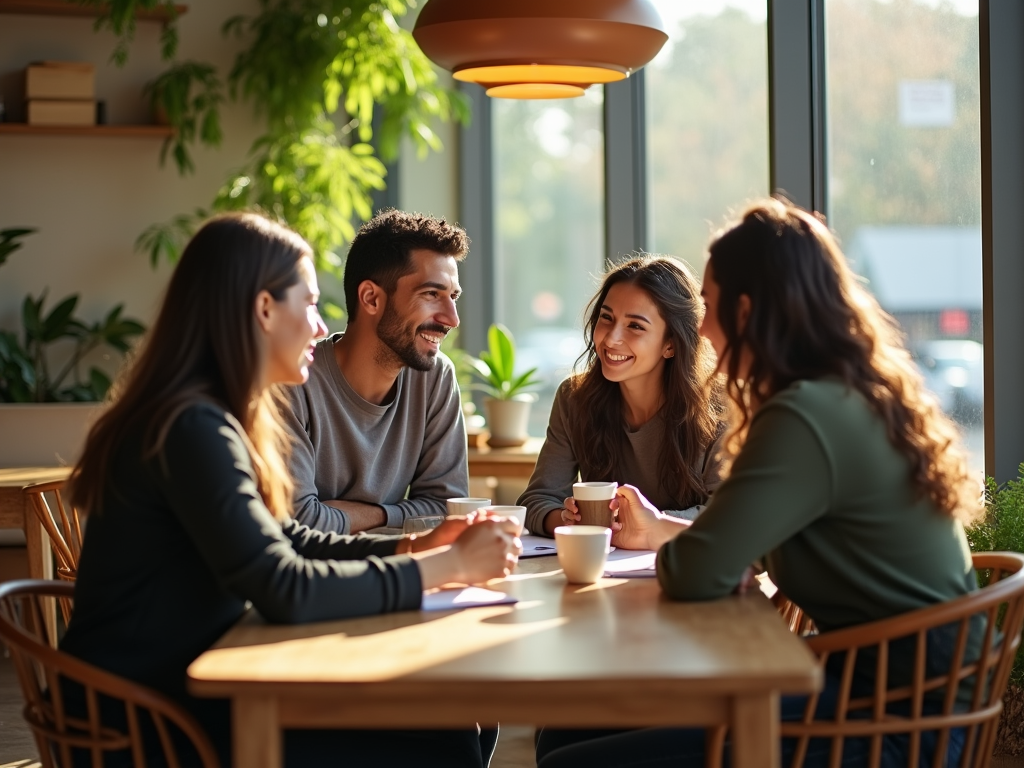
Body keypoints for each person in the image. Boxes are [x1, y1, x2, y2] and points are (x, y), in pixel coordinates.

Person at [61, 213, 521, 768]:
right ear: (263, 310)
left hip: (186, 688)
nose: (321, 327)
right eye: (308, 304)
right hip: (151, 724)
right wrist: (446, 568)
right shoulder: (191, 427)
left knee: (441, 726)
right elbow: (285, 587)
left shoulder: (203, 415)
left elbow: (287, 540)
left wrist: (414, 547)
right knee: (438, 739)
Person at [535, 199, 982, 767]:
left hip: (899, 716)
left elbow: (699, 570)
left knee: (567, 761)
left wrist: (701, 551)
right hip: (867, 683)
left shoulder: (804, 416)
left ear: (747, 312)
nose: (705, 330)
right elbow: (733, 555)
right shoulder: (839, 394)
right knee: (563, 736)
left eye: (711, 307)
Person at [281, 209, 470, 534]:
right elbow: (298, 522)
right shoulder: (294, 380)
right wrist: (404, 514)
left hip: (395, 570)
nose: (452, 318)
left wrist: (369, 516)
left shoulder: (435, 378)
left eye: (452, 297)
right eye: (431, 294)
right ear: (371, 298)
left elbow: (445, 509)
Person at [519, 255, 725, 538]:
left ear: (670, 344)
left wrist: (648, 525)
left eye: (635, 326)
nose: (611, 338)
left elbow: (728, 516)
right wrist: (567, 520)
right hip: (601, 572)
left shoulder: (721, 407)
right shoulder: (573, 398)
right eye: (606, 318)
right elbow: (535, 502)